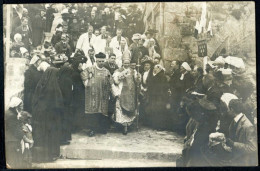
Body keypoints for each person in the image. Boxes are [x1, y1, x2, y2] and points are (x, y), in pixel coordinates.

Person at [32, 61, 64, 162]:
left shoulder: (42, 84)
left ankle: (43, 157)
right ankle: (49, 156)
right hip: (49, 118)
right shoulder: (53, 87)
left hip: (41, 117)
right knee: (49, 138)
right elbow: (58, 104)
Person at [80, 52, 112, 136]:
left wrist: (108, 92)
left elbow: (110, 82)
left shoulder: (106, 71)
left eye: (102, 61)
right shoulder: (90, 69)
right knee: (93, 112)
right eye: (99, 61)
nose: (101, 63)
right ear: (96, 61)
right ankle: (92, 129)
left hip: (103, 95)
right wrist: (88, 83)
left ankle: (101, 128)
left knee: (102, 111)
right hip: (92, 95)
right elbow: (83, 75)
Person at [112, 58, 141, 134]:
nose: (127, 64)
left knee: (130, 110)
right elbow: (116, 81)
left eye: (128, 63)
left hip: (131, 93)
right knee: (121, 110)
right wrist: (121, 76)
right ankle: (124, 126)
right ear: (122, 63)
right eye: (125, 63)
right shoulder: (118, 71)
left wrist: (138, 78)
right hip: (122, 92)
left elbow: (136, 81)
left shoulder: (133, 71)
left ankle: (128, 125)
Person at [225, 99, 257, 166]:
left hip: (242, 161)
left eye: (228, 108)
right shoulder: (234, 120)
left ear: (232, 109)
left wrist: (233, 144)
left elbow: (252, 147)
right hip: (235, 156)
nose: (227, 111)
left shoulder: (248, 126)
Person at [145, 64, 170, 130]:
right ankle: (157, 125)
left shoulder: (161, 76)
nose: (154, 70)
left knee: (159, 111)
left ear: (159, 69)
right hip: (158, 96)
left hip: (159, 97)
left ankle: (159, 126)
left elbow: (160, 87)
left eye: (156, 69)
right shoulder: (159, 76)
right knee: (158, 111)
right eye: (154, 69)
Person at [5, 97, 24, 168]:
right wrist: (24, 134)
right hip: (12, 142)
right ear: (16, 106)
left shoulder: (8, 112)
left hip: (9, 141)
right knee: (15, 164)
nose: (22, 108)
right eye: (21, 106)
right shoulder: (12, 116)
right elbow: (16, 132)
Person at [71, 55, 87, 132]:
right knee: (78, 110)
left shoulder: (75, 72)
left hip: (77, 93)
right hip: (78, 93)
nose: (81, 66)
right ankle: (77, 126)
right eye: (80, 65)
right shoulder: (77, 74)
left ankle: (77, 126)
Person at [58, 65, 73, 144]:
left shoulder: (59, 79)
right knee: (65, 121)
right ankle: (64, 139)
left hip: (60, 104)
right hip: (66, 105)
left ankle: (63, 138)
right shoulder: (67, 80)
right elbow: (68, 94)